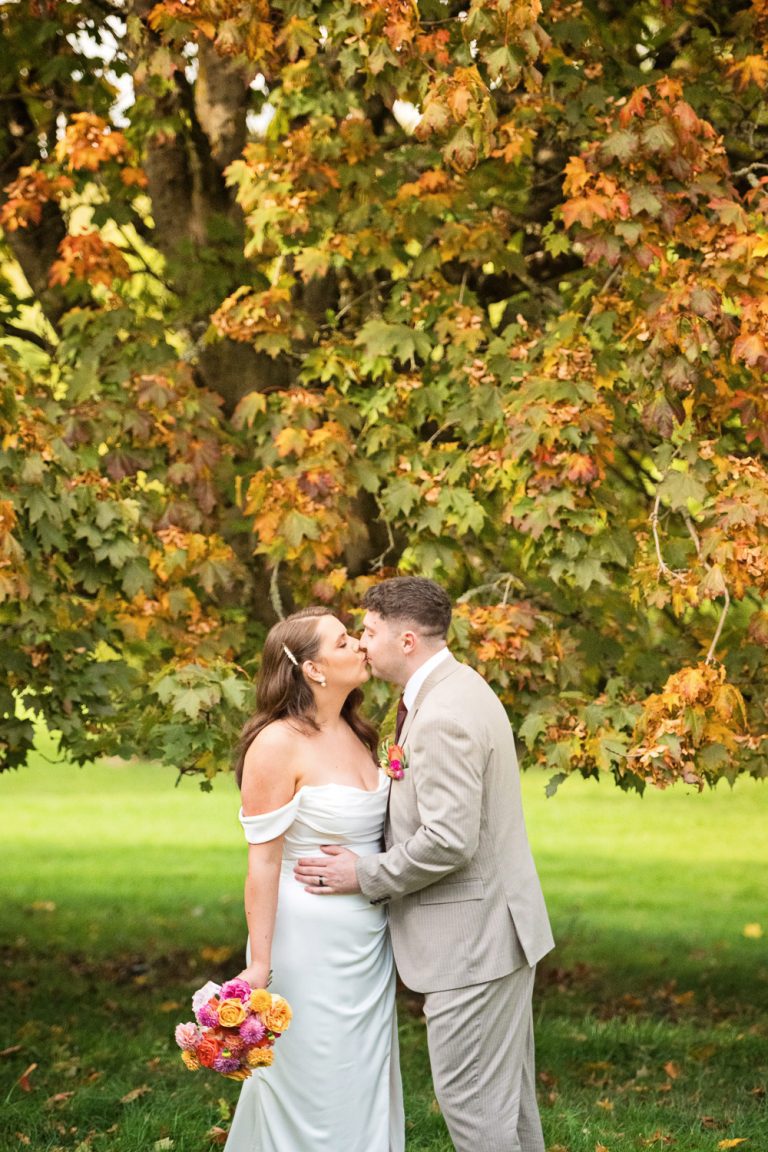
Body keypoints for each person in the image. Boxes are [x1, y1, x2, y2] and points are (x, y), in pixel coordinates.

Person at [295, 577, 555, 1152]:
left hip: (472, 943)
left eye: (368, 631)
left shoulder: (444, 715)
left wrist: (362, 874)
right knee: (507, 1111)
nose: (362, 644)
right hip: (495, 932)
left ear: (406, 639)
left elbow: (447, 841)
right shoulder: (454, 690)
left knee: (476, 1112)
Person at [224, 606, 404, 1152]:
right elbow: (263, 862)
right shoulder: (277, 744)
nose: (360, 646)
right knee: (312, 1078)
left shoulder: (358, 732)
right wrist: (260, 964)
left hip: (368, 941)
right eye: (344, 641)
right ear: (313, 670)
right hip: (306, 942)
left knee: (361, 1076)